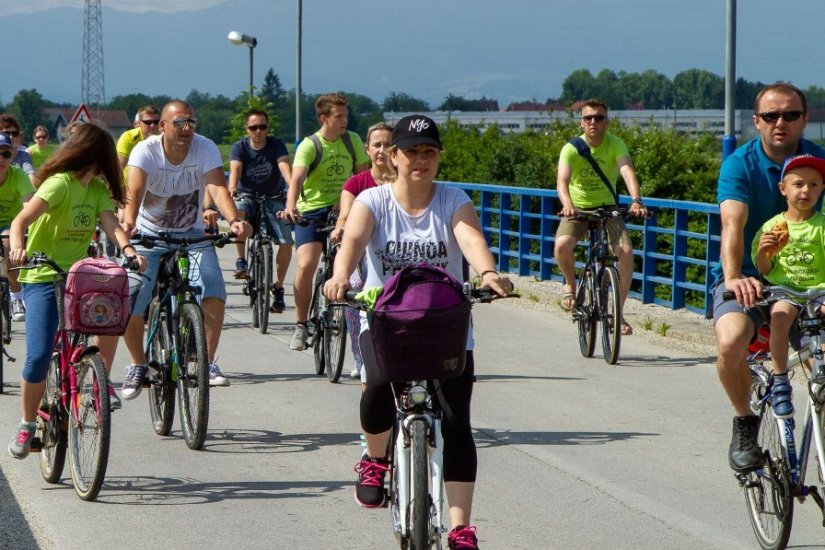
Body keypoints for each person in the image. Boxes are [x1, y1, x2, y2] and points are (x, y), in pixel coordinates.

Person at [324, 115, 511, 550]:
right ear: (393, 156)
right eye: (412, 151)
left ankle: (461, 526)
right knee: (375, 389)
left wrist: (487, 272)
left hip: (444, 323)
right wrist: (340, 276)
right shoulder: (373, 201)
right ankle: (376, 459)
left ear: (439, 157)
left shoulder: (452, 199)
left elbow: (470, 237)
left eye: (429, 152)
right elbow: (351, 244)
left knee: (456, 421)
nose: (420, 160)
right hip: (386, 320)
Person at [6, 123, 146, 459]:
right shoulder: (59, 185)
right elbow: (19, 222)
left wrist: (128, 252)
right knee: (39, 355)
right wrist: (17, 248)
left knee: (110, 315)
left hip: (78, 276)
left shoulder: (96, 189)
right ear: (94, 153)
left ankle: (96, 379)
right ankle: (27, 424)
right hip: (42, 274)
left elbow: (110, 223)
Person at [712, 82, 825, 474]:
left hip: (811, 284)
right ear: (757, 121)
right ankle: (745, 422)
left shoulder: (819, 163)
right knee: (730, 342)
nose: (781, 123)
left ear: (804, 119)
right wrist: (733, 277)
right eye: (772, 116)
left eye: (791, 115)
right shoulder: (739, 165)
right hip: (749, 277)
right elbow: (732, 224)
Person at [119, 100, 251, 398]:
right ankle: (138, 363)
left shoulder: (204, 147)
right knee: (131, 295)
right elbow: (135, 192)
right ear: (163, 126)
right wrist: (128, 223)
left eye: (191, 122)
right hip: (149, 235)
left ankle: (207, 363)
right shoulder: (146, 151)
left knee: (214, 285)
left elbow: (217, 187)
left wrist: (234, 220)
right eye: (179, 123)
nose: (186, 128)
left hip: (190, 235)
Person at [283, 93, 369, 351]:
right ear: (324, 118)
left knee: (351, 265)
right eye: (339, 116)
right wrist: (291, 206)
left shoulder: (352, 140)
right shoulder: (310, 145)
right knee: (306, 264)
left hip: (343, 208)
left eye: (346, 115)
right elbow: (297, 179)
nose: (345, 120)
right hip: (311, 211)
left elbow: (363, 177)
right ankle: (301, 324)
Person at [553, 98, 645, 335]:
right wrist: (568, 204)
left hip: (608, 209)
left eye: (599, 118)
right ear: (581, 122)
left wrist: (636, 200)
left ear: (606, 121)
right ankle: (570, 285)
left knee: (625, 252)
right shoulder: (571, 148)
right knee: (562, 244)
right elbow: (562, 181)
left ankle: (618, 314)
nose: (593, 122)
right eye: (588, 118)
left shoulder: (616, 144)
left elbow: (627, 171)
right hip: (578, 208)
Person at [752, 154, 825, 420]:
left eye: (814, 185)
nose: (806, 190)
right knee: (780, 316)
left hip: (819, 290)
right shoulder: (772, 226)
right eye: (799, 184)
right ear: (783, 188)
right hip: (786, 290)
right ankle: (781, 380)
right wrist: (764, 251)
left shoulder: (821, 225)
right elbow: (764, 269)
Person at [330, 122, 395, 380]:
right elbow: (346, 215)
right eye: (376, 145)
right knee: (354, 290)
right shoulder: (357, 183)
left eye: (388, 144)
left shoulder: (405, 182)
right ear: (367, 150)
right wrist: (341, 228)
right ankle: (361, 356)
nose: (382, 150)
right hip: (363, 250)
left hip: (395, 252)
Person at [228, 108, 294, 313]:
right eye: (254, 127)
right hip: (247, 195)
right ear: (247, 129)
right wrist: (232, 186)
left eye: (262, 127)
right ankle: (241, 260)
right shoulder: (240, 147)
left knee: (286, 241)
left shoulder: (276, 144)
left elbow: (284, 166)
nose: (258, 131)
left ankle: (279, 286)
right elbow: (235, 169)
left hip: (273, 197)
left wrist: (292, 185)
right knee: (240, 215)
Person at [0, 133, 35, 322]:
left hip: (10, 224)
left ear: (12, 155)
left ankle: (16, 296)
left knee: (7, 245)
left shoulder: (18, 175)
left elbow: (28, 205)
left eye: (5, 154)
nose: (1, 159)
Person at [116, 105, 161, 176]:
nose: (152, 125)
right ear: (139, 123)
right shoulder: (129, 137)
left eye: (156, 122)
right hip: (130, 184)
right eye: (148, 122)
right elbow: (120, 166)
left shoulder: (165, 137)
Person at [0, 114, 35, 182]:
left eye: (15, 134)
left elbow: (30, 174)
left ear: (19, 137)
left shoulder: (24, 156)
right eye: (6, 133)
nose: (11, 137)